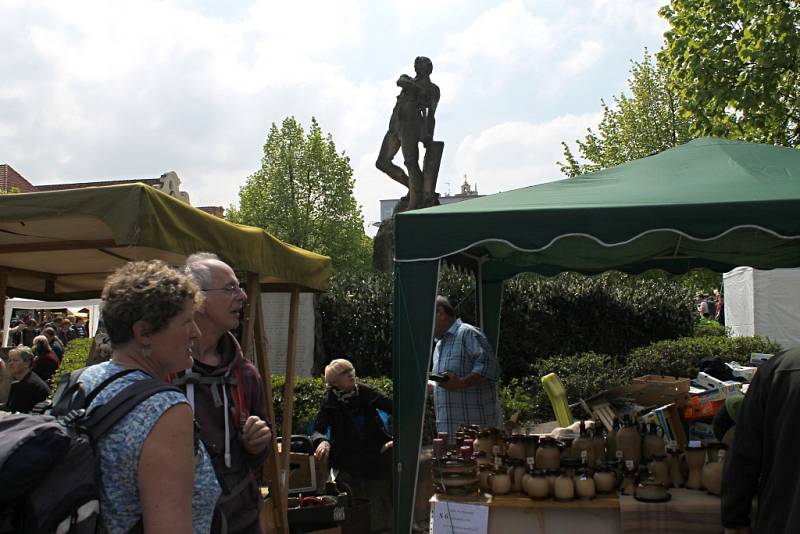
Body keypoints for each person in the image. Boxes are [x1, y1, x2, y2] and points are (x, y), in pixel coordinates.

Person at [75, 260, 220, 533]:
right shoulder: (164, 410)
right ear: (143, 333)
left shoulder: (82, 382)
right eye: (186, 321)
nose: (196, 332)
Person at [178, 252, 272, 534]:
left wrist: (258, 444)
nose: (243, 296)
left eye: (240, 287)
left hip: (241, 519)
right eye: (231, 288)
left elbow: (260, 457)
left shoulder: (245, 375)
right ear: (198, 298)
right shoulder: (162, 371)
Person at [721, 347, 800, 534]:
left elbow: (744, 455)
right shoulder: (779, 369)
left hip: (782, 518)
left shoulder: (779, 368)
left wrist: (734, 518)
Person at [312, 359, 394, 534]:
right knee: (354, 509)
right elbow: (318, 430)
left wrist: (395, 439)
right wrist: (323, 441)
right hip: (348, 460)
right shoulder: (330, 399)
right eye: (344, 372)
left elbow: (395, 407)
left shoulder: (364, 391)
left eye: (351, 370)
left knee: (380, 504)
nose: (351, 374)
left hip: (375, 455)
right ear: (334, 382)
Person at [430, 295, 502, 440]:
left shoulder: (467, 333)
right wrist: (433, 385)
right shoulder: (439, 345)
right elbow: (447, 381)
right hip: (450, 435)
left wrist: (462, 383)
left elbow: (490, 366)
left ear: (440, 313)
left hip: (479, 437)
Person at [375, 56, 441, 210]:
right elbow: (400, 81)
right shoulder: (409, 80)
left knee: (411, 162)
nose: (418, 67)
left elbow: (431, 113)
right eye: (417, 64)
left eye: (421, 65)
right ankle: (414, 189)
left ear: (428, 68)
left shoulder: (433, 89)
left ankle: (415, 201)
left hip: (410, 125)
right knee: (382, 163)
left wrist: (428, 134)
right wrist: (418, 89)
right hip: (395, 125)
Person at [3, 345, 50, 413]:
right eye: (9, 360)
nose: (10, 363)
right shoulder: (24, 381)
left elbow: (17, 414)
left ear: (27, 363)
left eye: (15, 360)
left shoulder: (30, 385)